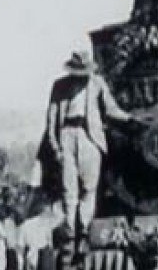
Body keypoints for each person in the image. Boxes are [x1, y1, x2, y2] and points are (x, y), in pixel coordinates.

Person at [44, 49, 131, 240]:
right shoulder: (59, 86)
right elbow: (51, 119)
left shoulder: (97, 83)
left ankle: (84, 229)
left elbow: (111, 109)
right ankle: (70, 230)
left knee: (90, 186)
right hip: (67, 133)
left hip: (89, 135)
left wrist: (130, 118)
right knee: (69, 187)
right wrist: (55, 146)